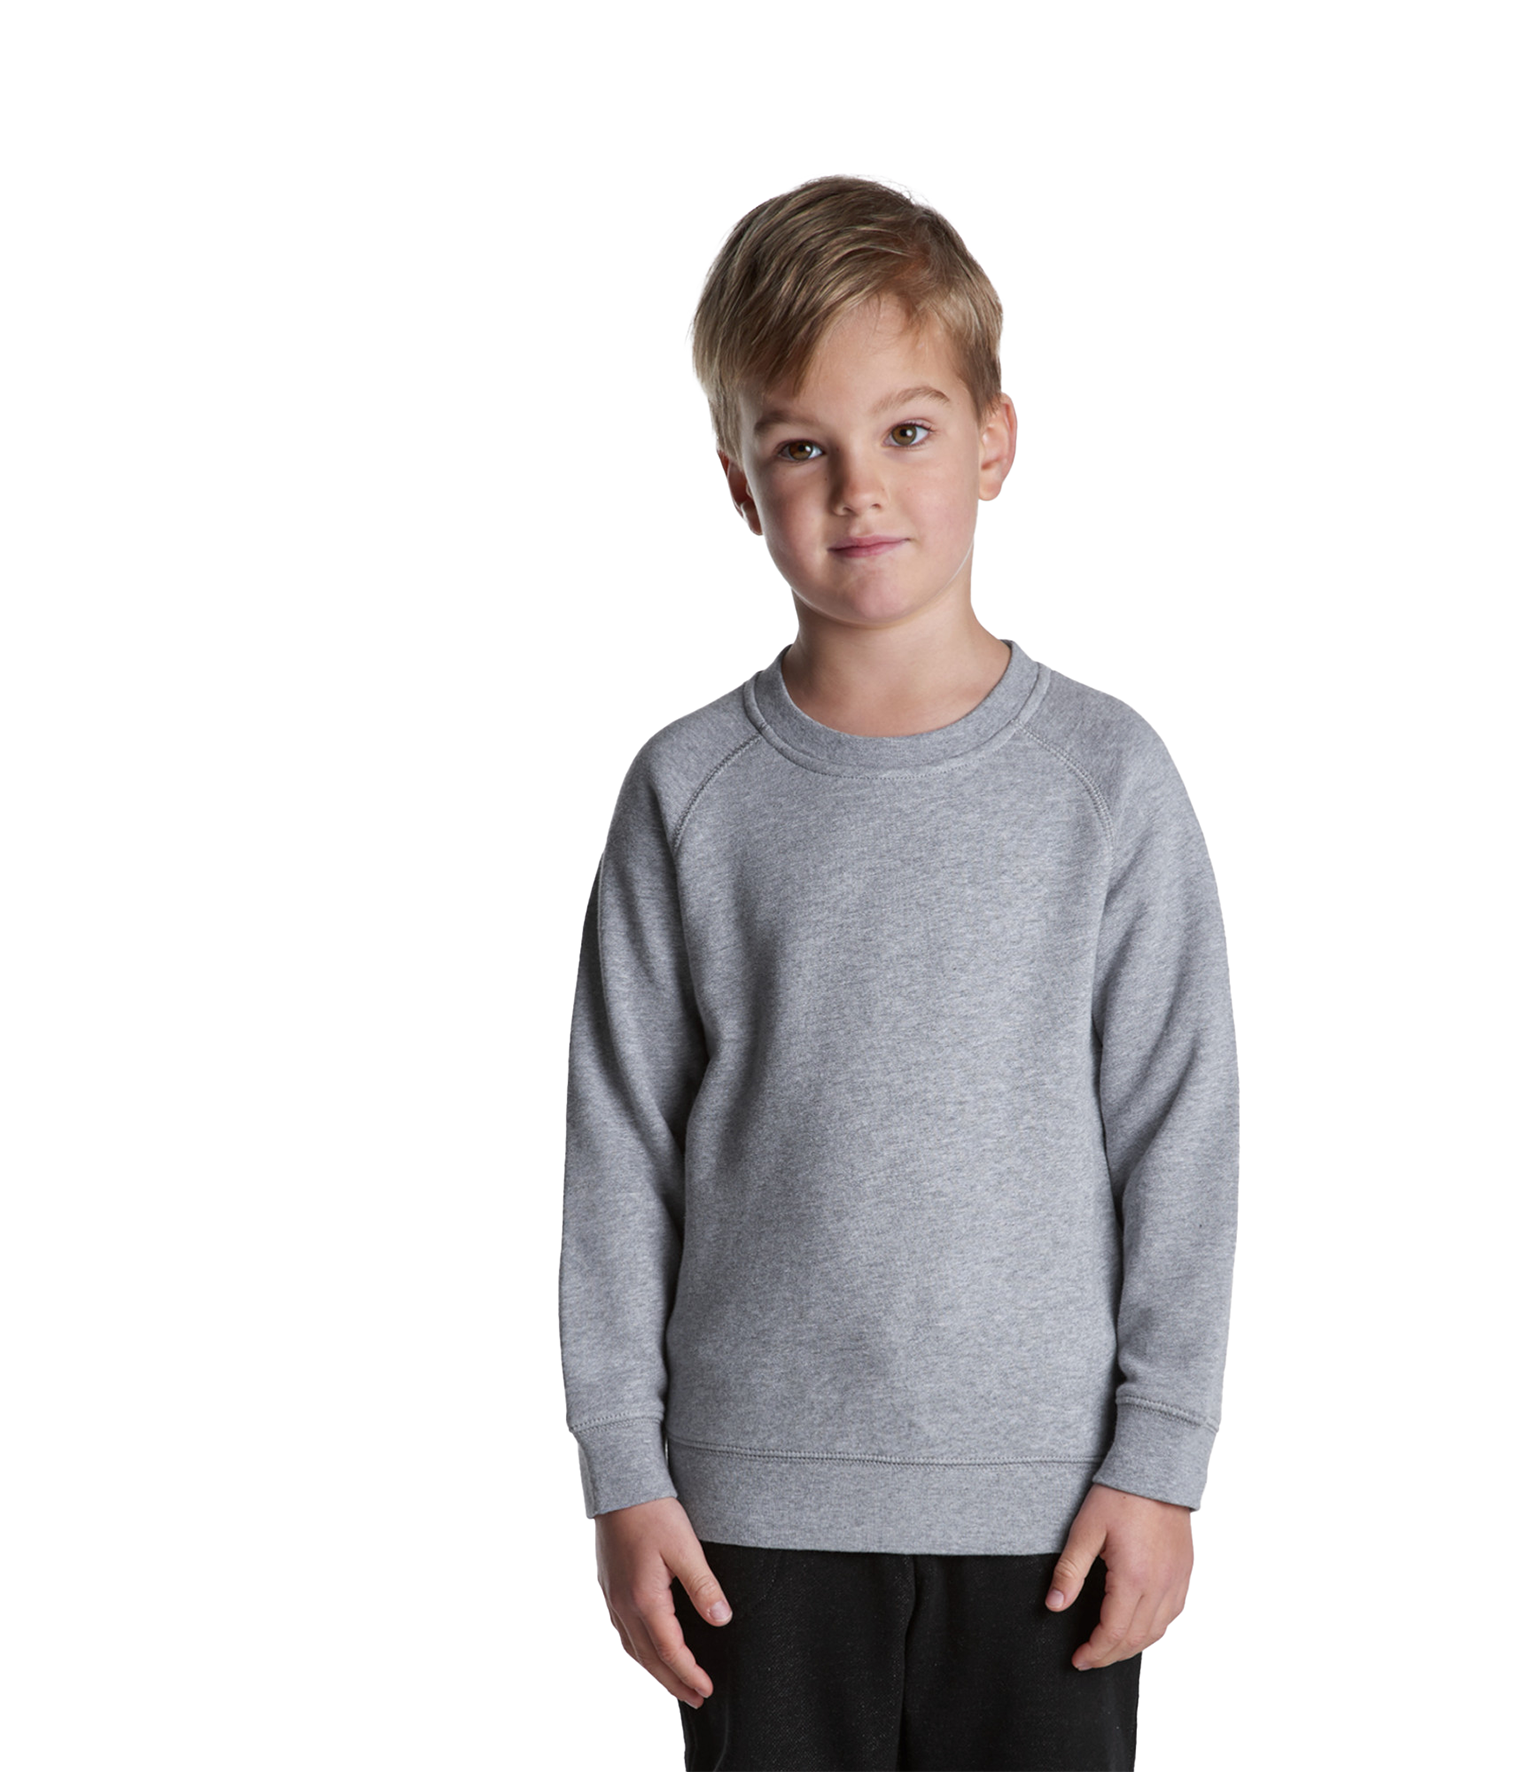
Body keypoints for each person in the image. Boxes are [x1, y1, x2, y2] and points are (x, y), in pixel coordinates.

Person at [558, 174, 1240, 1772]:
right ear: (741, 485)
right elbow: (618, 1153)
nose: (858, 489)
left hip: (1049, 1515)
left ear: (995, 441)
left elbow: (1180, 1133)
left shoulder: (1106, 779)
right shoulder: (689, 793)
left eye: (908, 431)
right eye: (803, 447)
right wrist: (622, 1473)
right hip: (749, 1517)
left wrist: (1161, 1458)